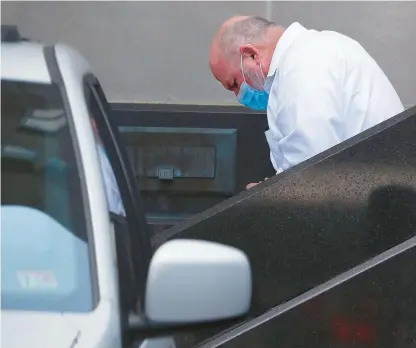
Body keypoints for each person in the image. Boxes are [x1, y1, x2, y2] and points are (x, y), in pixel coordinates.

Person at [209, 16, 404, 189]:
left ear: (251, 54)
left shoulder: (302, 67)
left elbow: (314, 180)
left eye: (234, 83)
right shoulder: (319, 48)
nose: (239, 96)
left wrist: (264, 197)